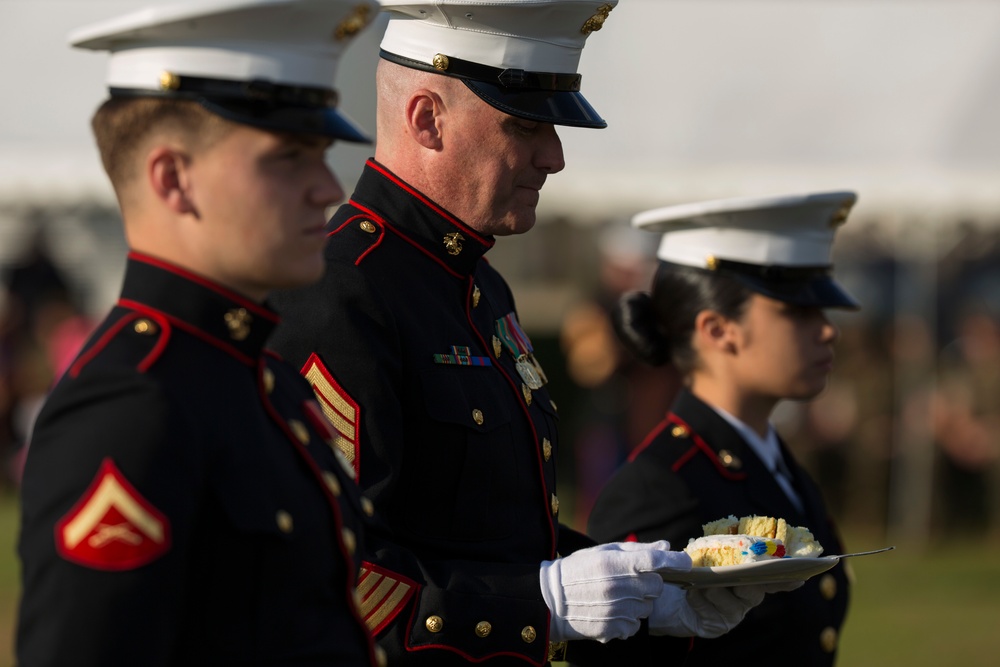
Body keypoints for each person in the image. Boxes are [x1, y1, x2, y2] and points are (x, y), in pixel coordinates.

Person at [270, 2, 789, 665]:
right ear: (426, 118)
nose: (555, 156)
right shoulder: (340, 289)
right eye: (524, 125)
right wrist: (538, 605)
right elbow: (328, 566)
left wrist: (647, 583)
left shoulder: (481, 288)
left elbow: (497, 534)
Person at [16, 1, 384, 665]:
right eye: (288, 158)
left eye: (322, 154)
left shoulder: (260, 379)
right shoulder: (133, 408)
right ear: (173, 179)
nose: (328, 187)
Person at [587, 191, 858, 665]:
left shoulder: (774, 463)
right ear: (716, 329)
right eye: (797, 311)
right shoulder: (658, 489)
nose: (828, 329)